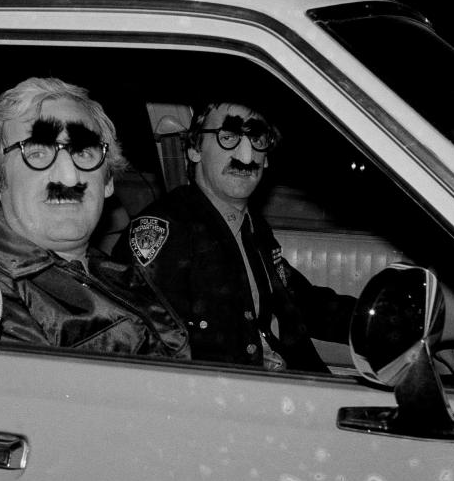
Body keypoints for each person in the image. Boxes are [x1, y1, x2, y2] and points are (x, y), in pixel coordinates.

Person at [0, 77, 190, 359]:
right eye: (37, 152)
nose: (69, 177)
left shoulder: (108, 268)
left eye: (83, 152)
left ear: (108, 181)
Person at [113, 100, 354, 372]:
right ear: (194, 149)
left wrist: (384, 324)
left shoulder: (252, 226)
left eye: (257, 138)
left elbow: (301, 301)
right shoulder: (164, 235)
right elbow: (151, 358)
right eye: (228, 137)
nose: (247, 156)